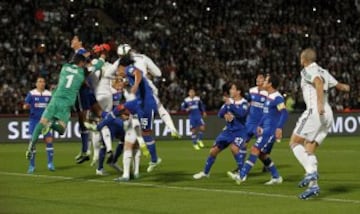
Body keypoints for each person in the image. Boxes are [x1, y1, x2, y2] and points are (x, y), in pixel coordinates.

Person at [289, 48, 350, 199]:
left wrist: (319, 104)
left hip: (316, 110)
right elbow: (340, 86)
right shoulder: (324, 70)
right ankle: (313, 186)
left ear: (303, 60)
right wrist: (347, 88)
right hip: (328, 115)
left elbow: (317, 82)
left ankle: (311, 173)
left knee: (294, 143)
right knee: (309, 149)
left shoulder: (306, 70)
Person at [229, 74, 288, 185]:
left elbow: (284, 113)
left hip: (270, 131)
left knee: (254, 150)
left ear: (270, 84)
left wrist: (279, 128)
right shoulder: (269, 96)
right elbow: (266, 114)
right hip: (264, 128)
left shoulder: (277, 97)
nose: (263, 82)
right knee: (262, 154)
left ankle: (241, 175)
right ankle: (276, 177)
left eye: (265, 80)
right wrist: (260, 124)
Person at [26, 54, 87, 160]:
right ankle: (50, 124)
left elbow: (66, 74)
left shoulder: (64, 67)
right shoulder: (82, 73)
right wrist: (101, 59)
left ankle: (31, 146)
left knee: (42, 122)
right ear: (81, 63)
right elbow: (95, 67)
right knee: (62, 130)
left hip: (55, 99)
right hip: (66, 103)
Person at [117, 44, 181, 138]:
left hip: (131, 91)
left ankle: (141, 141)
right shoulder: (143, 57)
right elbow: (158, 73)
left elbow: (119, 78)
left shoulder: (120, 63)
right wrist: (148, 72)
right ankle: (172, 129)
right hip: (147, 87)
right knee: (160, 108)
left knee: (134, 114)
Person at [193, 83, 248, 179]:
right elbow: (220, 113)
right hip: (228, 131)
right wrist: (226, 115)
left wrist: (230, 105)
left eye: (232, 89)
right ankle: (205, 173)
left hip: (240, 131)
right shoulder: (229, 102)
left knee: (234, 149)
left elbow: (241, 114)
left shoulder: (244, 103)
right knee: (213, 151)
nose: (230, 91)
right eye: (230, 89)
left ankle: (242, 173)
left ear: (238, 91)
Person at [23, 77, 54, 173]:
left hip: (46, 121)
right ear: (36, 84)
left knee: (49, 140)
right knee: (33, 142)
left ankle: (50, 163)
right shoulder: (31, 94)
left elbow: (53, 106)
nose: (42, 83)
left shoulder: (49, 94)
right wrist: (26, 106)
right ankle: (32, 166)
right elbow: (24, 105)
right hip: (34, 121)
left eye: (43, 81)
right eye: (40, 81)